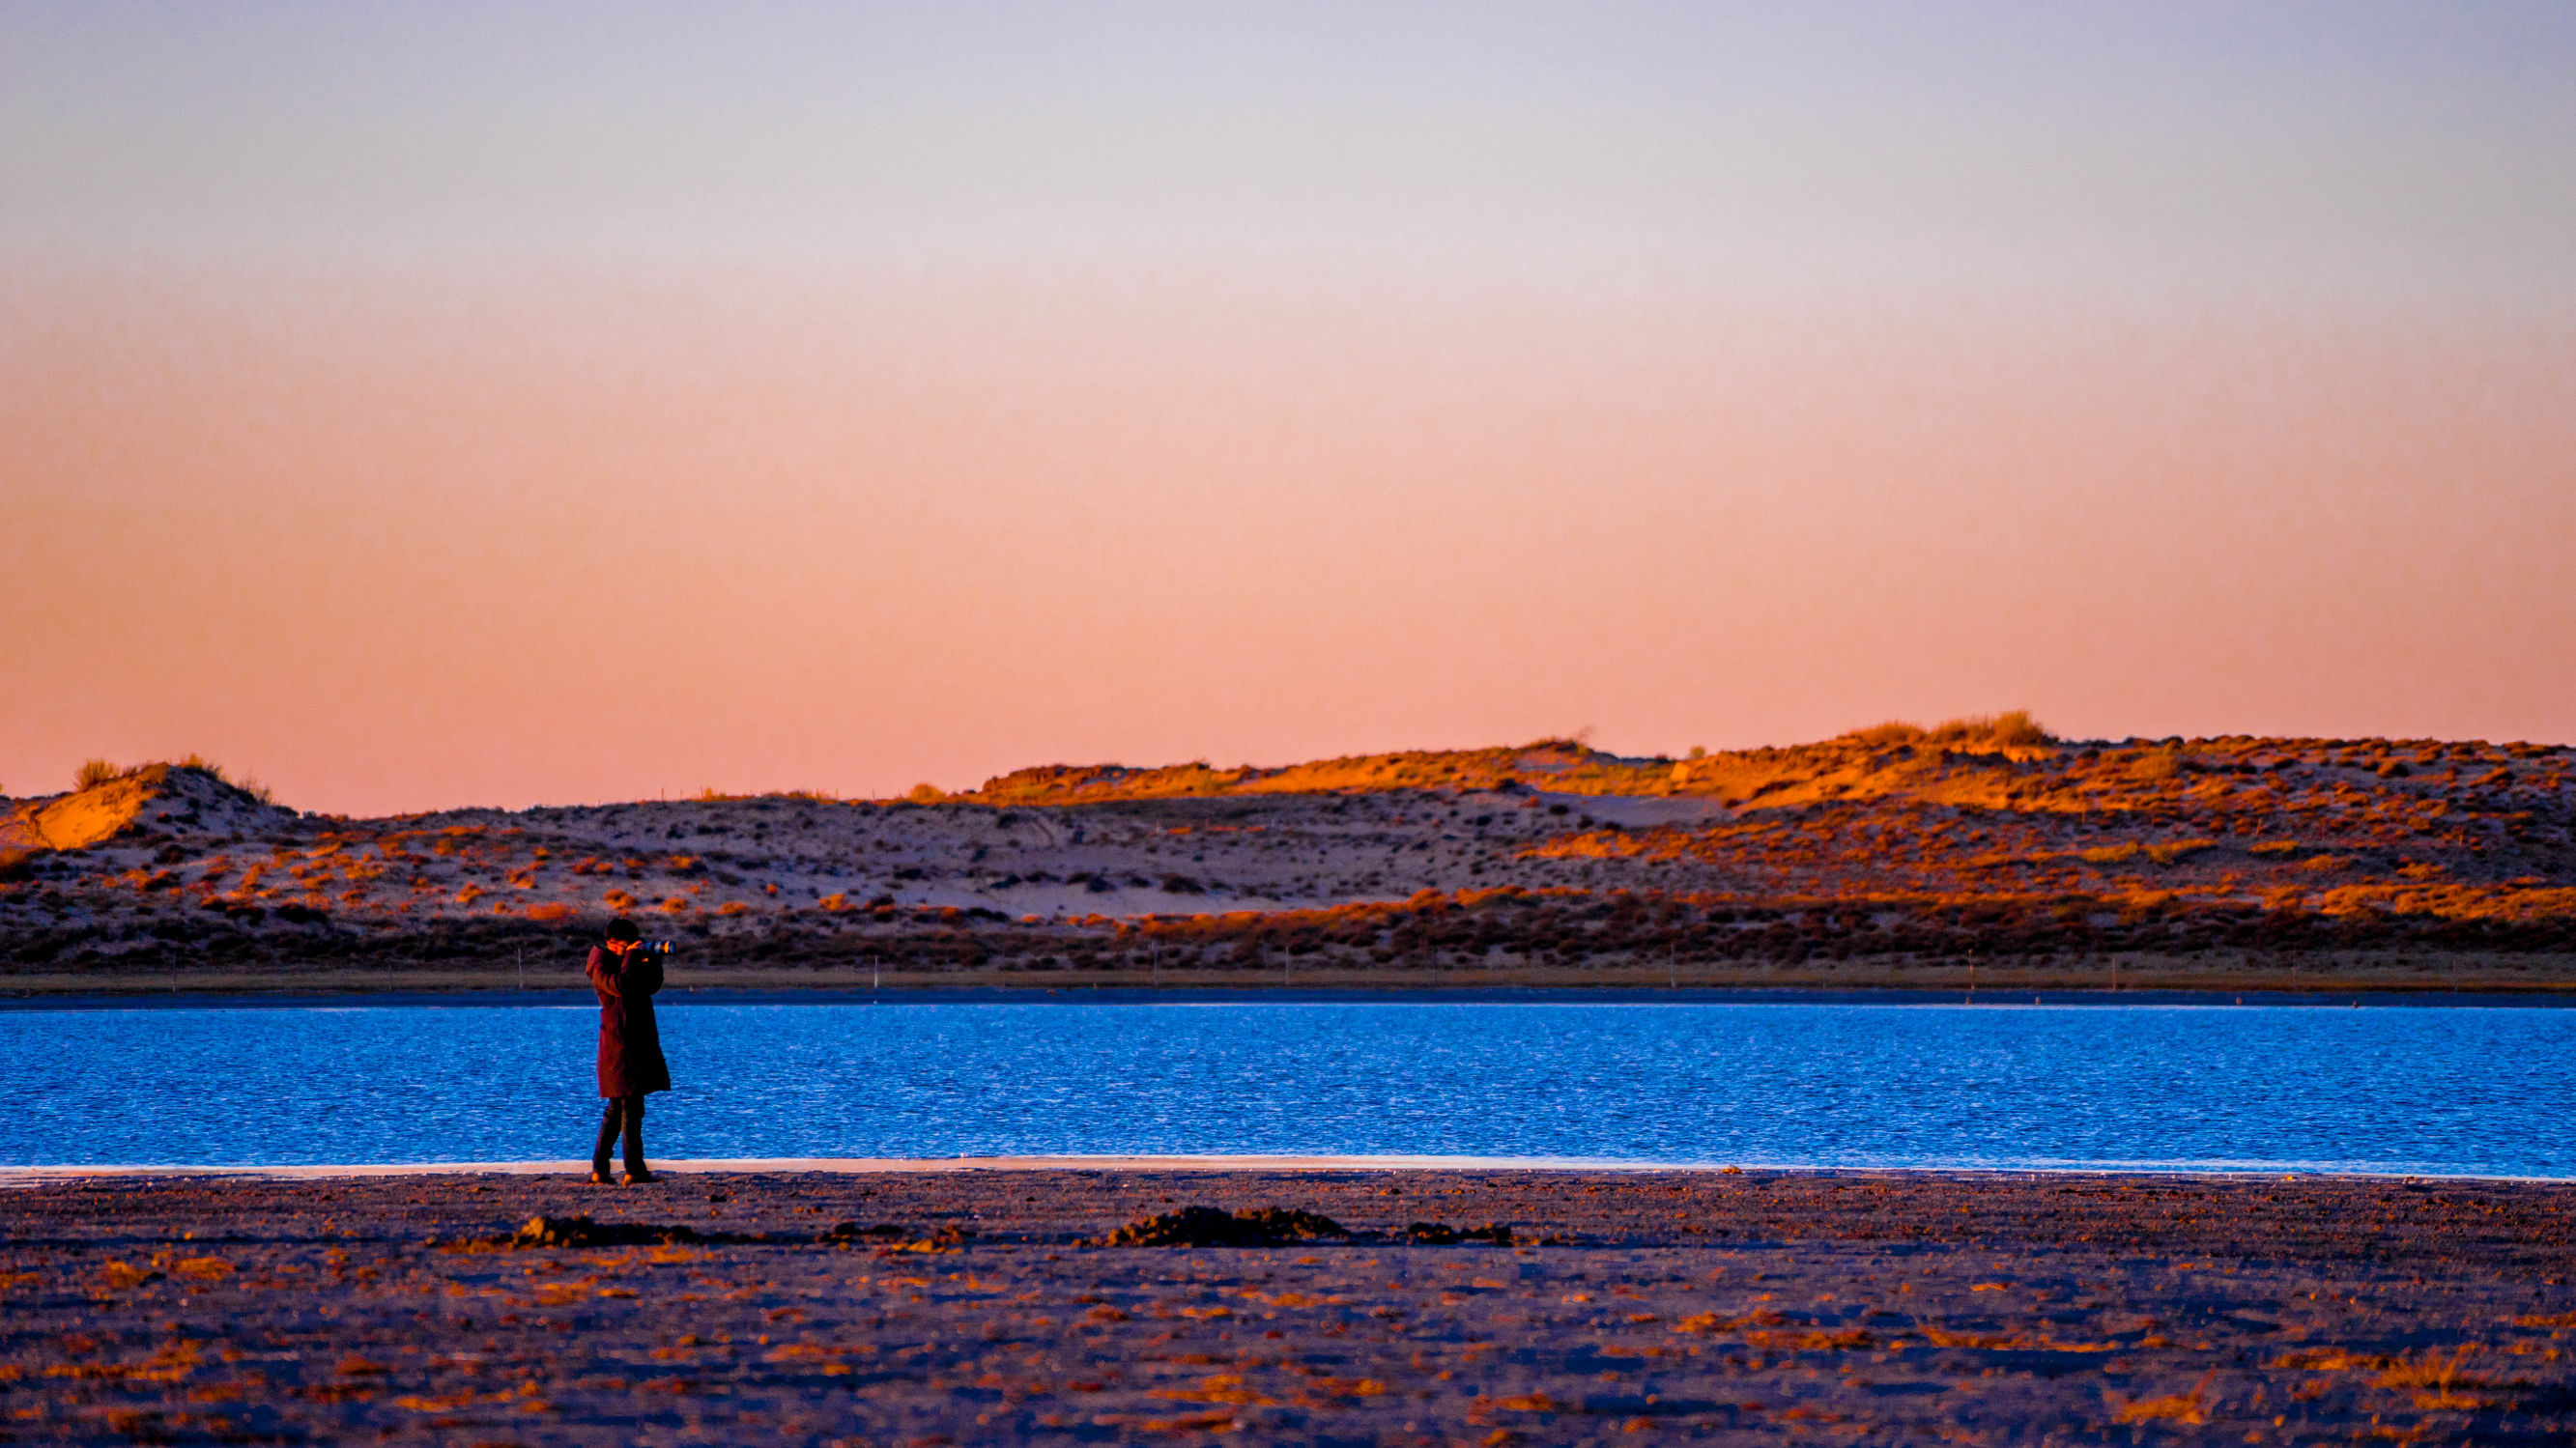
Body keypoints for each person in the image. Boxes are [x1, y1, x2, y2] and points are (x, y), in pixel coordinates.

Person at [585, 919, 671, 1184]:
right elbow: (620, 986)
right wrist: (633, 956)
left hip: (635, 1042)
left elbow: (651, 986)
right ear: (613, 944)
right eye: (627, 945)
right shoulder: (599, 965)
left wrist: (652, 959)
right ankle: (634, 1169)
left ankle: (601, 1168)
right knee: (629, 1107)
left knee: (619, 1107)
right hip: (618, 1046)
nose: (631, 948)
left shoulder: (628, 961)